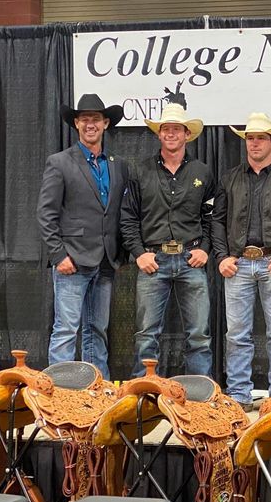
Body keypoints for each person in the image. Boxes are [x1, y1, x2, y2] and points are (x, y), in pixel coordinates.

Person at [211, 113, 271, 411]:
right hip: (237, 264)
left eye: (261, 137)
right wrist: (223, 256)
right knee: (236, 333)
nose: (255, 143)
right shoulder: (230, 178)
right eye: (250, 138)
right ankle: (238, 394)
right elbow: (217, 221)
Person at [37, 94, 130, 379]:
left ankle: (95, 387)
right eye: (85, 119)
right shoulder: (60, 162)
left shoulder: (118, 165)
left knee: (97, 330)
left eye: (96, 119)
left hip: (105, 261)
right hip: (72, 260)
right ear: (77, 124)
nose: (91, 124)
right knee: (66, 328)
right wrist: (58, 255)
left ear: (105, 124)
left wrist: (120, 252)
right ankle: (59, 391)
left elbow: (118, 212)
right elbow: (45, 213)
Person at [120, 103, 214, 377]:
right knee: (146, 334)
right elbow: (128, 217)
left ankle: (198, 394)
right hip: (153, 260)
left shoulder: (202, 172)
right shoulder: (141, 171)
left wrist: (205, 249)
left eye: (176, 129)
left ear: (187, 134)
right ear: (159, 134)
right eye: (166, 129)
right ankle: (145, 391)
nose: (171, 133)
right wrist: (139, 253)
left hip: (191, 260)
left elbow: (211, 216)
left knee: (199, 335)